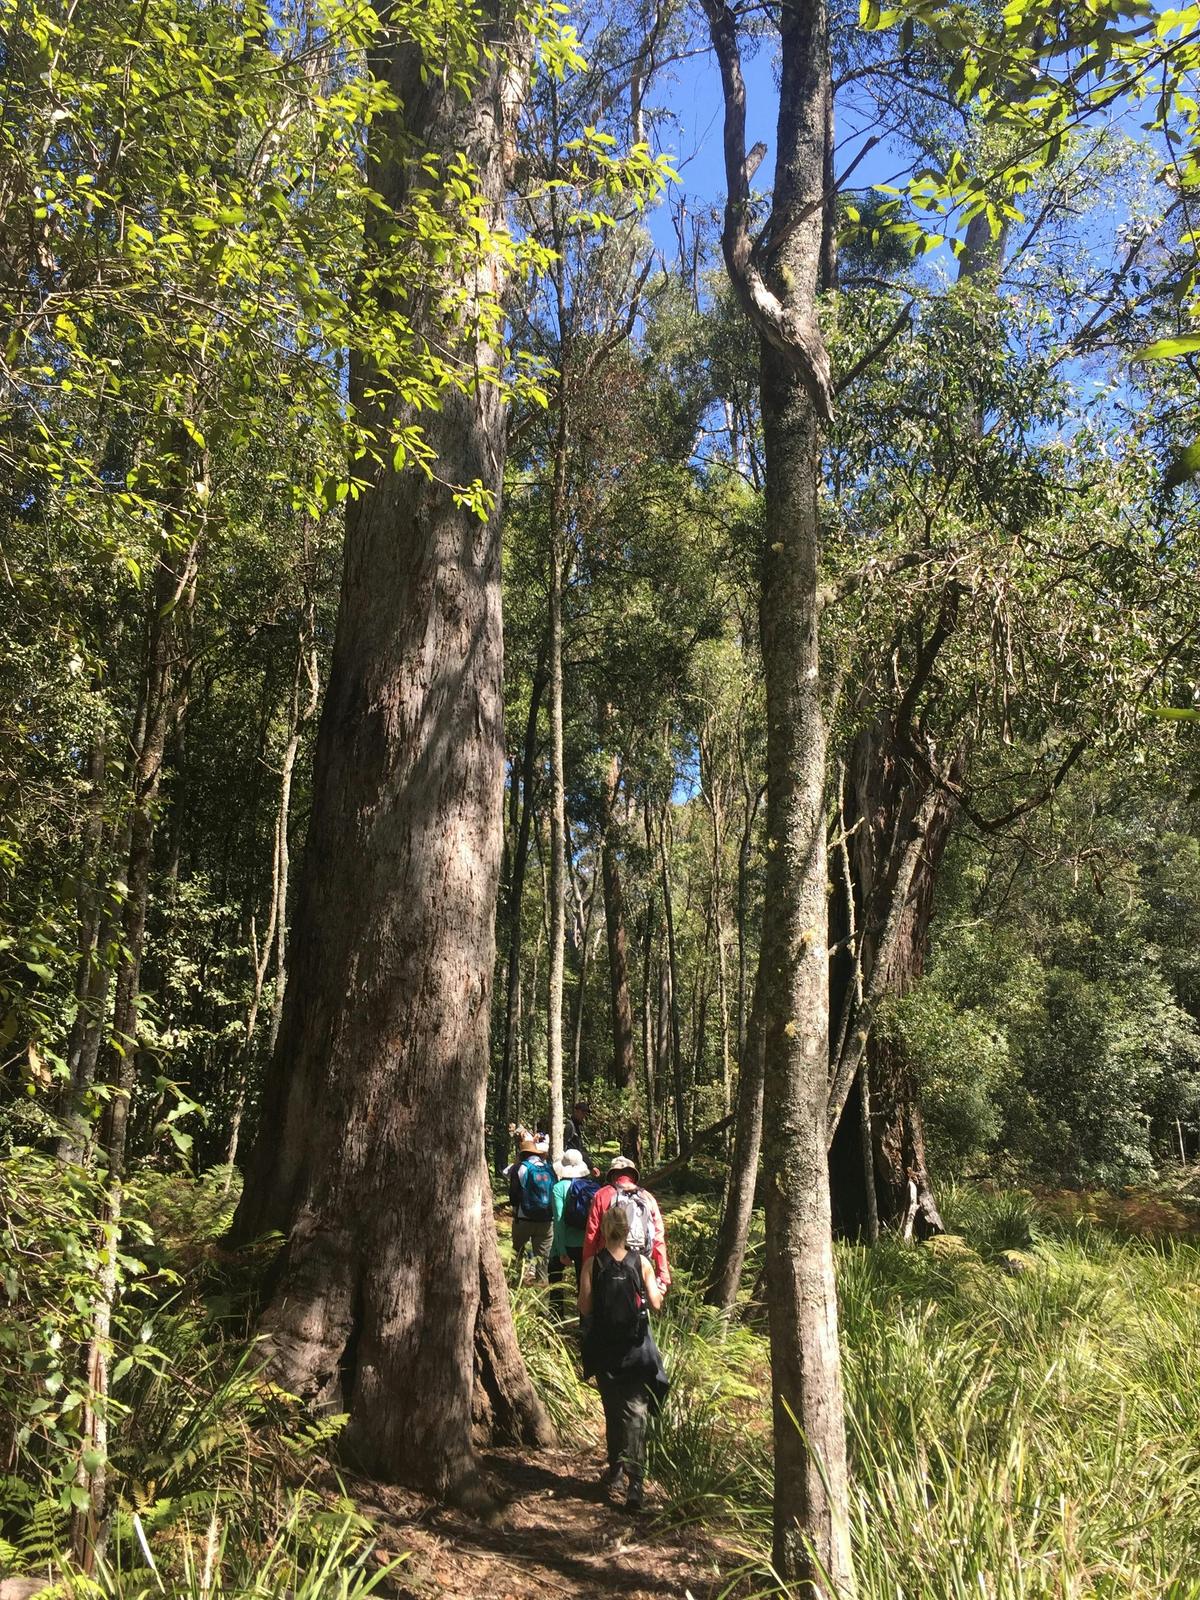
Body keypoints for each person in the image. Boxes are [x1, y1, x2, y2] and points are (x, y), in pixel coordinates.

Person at [579, 1201, 668, 1512]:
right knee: (635, 1416)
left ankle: (615, 1470)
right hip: (636, 1351)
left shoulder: (593, 1264)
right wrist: (656, 1287)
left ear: (604, 1230)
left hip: (605, 1352)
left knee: (612, 1411)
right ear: (629, 1230)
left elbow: (585, 1308)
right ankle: (636, 1484)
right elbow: (656, 1304)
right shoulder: (641, 1262)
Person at [582, 1155, 671, 1295]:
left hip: (606, 1264)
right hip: (640, 1263)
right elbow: (658, 1238)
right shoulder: (647, 1197)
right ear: (633, 1175)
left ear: (612, 1175)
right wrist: (663, 1276)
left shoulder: (602, 1195)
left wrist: (587, 1270)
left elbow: (591, 1235)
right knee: (636, 1305)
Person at [550, 1148, 597, 1311]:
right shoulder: (591, 1186)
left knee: (554, 1274)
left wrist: (561, 1251)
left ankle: (556, 1314)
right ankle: (585, 1321)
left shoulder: (558, 1188)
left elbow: (559, 1220)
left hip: (567, 1243)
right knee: (584, 1282)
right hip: (587, 1243)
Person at [508, 1132, 554, 1286]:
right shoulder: (549, 1169)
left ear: (523, 1154)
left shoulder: (519, 1168)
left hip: (523, 1219)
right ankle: (541, 1297)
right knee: (542, 1261)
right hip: (546, 1221)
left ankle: (514, 1288)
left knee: (518, 1255)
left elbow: (513, 1196)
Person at [562, 1100, 598, 1174]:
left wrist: (591, 1165)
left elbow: (580, 1148)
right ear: (576, 1111)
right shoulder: (569, 1126)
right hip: (569, 1165)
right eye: (582, 1113)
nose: (583, 1116)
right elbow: (564, 1146)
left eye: (585, 1113)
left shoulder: (577, 1127)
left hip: (577, 1163)